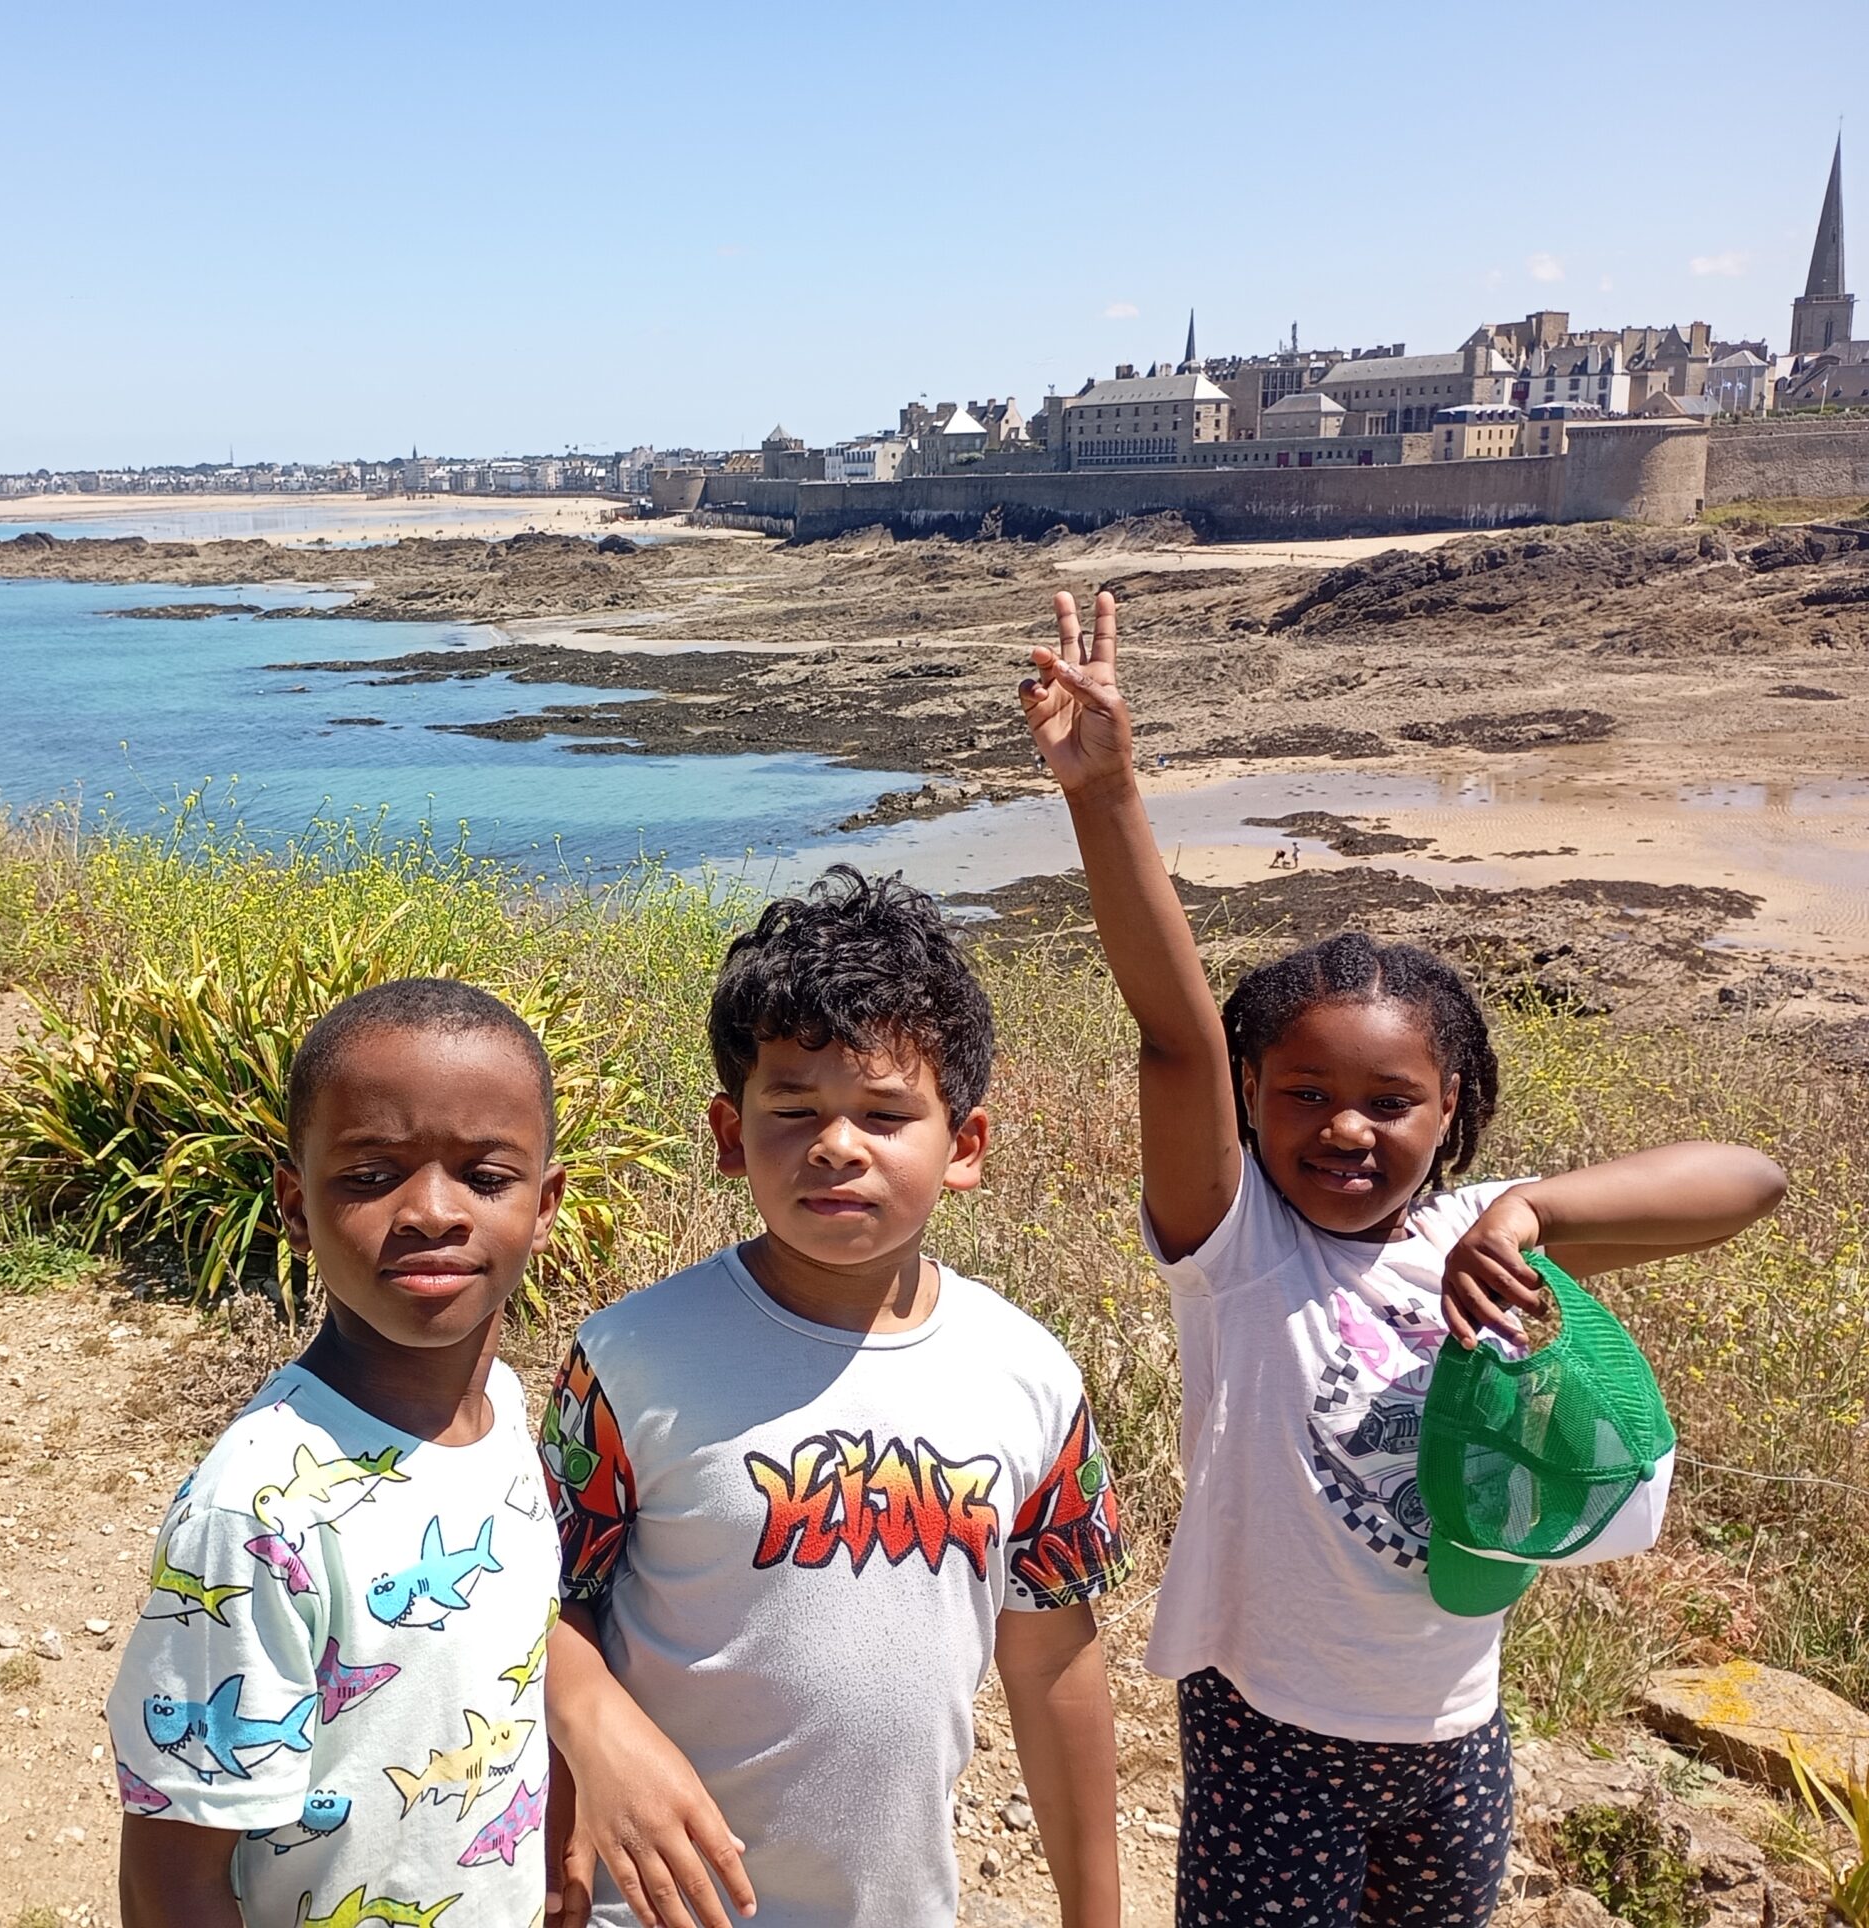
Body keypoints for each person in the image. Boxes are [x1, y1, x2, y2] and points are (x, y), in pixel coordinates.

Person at [1021, 588, 1787, 1927]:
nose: (1344, 1128)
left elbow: (1748, 1181)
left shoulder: (1474, 1231)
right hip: (1271, 1730)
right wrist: (1105, 793)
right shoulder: (1237, 1247)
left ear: (1453, 1108)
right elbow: (1177, 1036)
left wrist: (1527, 1212)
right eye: (1304, 1093)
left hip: (1459, 1724)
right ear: (1251, 1100)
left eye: (1390, 1101)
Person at [543, 867, 1130, 1928]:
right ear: (730, 1135)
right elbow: (539, 1603)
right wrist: (590, 1746)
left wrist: (1096, 1913)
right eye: (794, 1108)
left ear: (964, 1146)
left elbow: (1052, 1655)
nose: (836, 1145)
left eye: (886, 1112)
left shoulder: (1030, 1373)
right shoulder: (628, 1357)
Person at [107, 978, 567, 1928]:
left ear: (545, 1203)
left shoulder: (507, 1410)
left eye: (485, 1177)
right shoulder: (258, 1512)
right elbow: (172, 1878)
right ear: (295, 1205)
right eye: (369, 1176)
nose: (431, 1211)